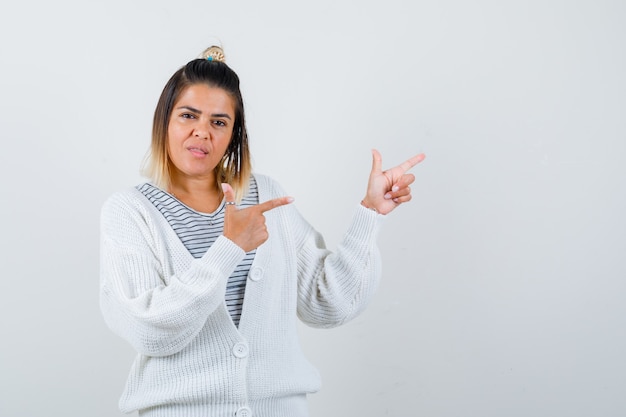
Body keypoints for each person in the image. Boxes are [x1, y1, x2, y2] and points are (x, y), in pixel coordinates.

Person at [99, 44, 425, 417]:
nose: (202, 132)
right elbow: (151, 332)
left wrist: (370, 212)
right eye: (188, 115)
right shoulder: (131, 212)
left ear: (234, 134)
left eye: (219, 122)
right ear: (164, 122)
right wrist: (229, 248)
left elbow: (328, 304)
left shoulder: (265, 196)